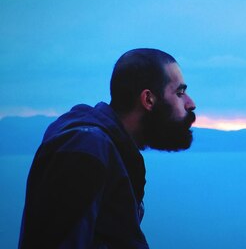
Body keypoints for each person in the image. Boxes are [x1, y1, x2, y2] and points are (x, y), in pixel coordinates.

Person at [19, 48, 196, 248]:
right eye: (180, 92)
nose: (191, 103)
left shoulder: (107, 149)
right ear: (148, 99)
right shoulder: (85, 149)